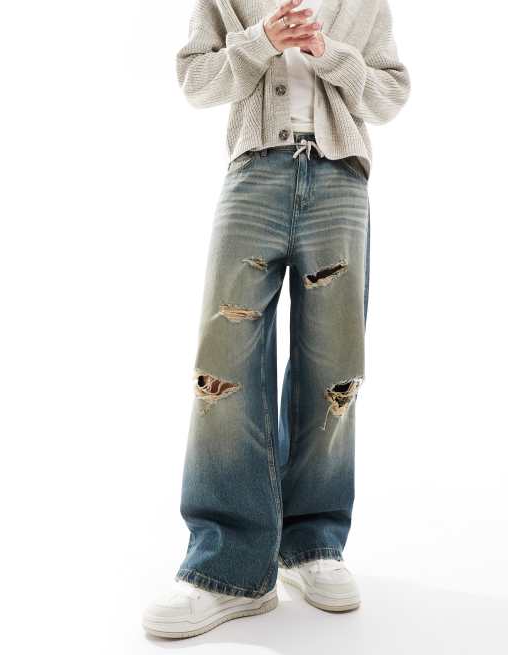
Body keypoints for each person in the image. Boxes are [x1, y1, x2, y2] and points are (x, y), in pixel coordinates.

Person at [143, 0, 410, 639]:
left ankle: (312, 545)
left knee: (334, 369)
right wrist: (261, 39)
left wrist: (331, 55)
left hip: (340, 182)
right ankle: (225, 569)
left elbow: (390, 94)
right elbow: (196, 81)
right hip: (254, 174)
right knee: (224, 368)